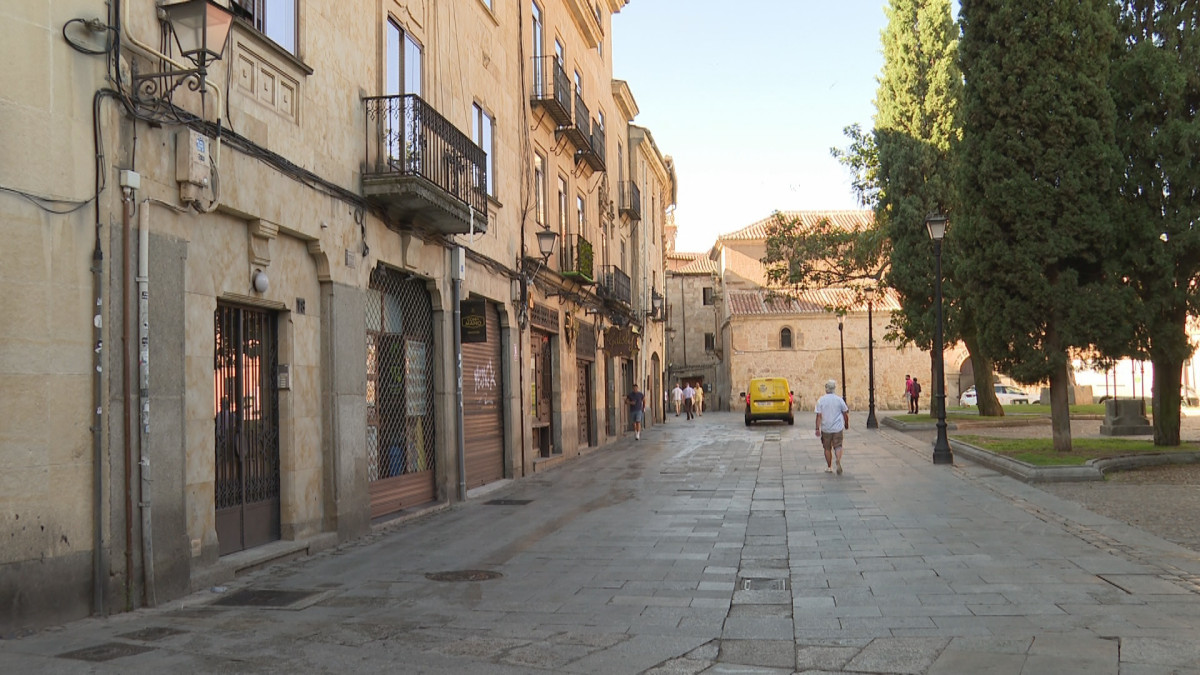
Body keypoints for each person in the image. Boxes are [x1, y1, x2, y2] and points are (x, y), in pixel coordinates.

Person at [814, 379, 850, 475]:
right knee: (838, 445)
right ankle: (838, 459)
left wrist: (817, 428)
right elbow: (845, 413)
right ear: (834, 388)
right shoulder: (839, 400)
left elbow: (819, 416)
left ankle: (829, 467)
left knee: (827, 448)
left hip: (826, 428)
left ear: (826, 389)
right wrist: (846, 423)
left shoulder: (821, 400)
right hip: (837, 427)